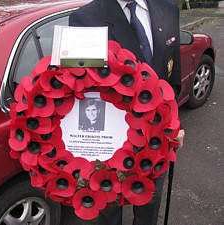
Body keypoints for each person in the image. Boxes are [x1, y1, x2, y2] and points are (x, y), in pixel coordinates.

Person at [69, 0, 186, 225]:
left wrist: (174, 125)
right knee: (108, 214)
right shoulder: (86, 18)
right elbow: (78, 88)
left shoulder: (167, 9)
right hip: (110, 145)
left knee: (148, 210)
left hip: (155, 142)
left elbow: (172, 80)